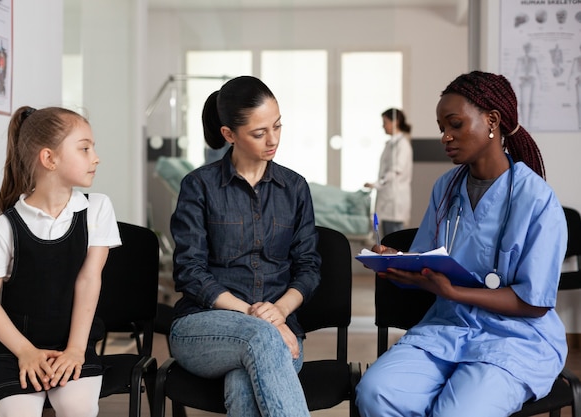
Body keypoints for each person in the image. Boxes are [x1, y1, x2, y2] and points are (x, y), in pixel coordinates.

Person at [356, 70, 568, 417]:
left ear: (492, 121)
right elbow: (427, 257)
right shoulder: (446, 187)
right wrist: (398, 260)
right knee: (377, 394)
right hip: (447, 327)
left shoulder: (536, 200)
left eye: (454, 124)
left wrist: (454, 292)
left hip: (514, 338)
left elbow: (534, 303)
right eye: (442, 128)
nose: (445, 137)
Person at [169, 75, 321, 417]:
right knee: (262, 340)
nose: (273, 140)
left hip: (280, 326)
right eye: (259, 133)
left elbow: (309, 267)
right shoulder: (199, 186)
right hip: (203, 326)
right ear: (228, 135)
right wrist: (260, 319)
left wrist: (280, 311)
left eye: (278, 127)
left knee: (242, 385)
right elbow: (190, 272)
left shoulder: (295, 188)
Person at [0, 106, 121, 417]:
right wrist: (25, 352)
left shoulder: (98, 209)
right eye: (84, 148)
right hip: (15, 349)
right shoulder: (4, 228)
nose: (96, 157)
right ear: (49, 158)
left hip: (73, 341)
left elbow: (89, 279)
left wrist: (76, 350)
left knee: (77, 407)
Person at [364, 108, 413, 237]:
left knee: (394, 241)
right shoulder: (391, 144)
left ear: (395, 122)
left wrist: (377, 184)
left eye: (385, 122)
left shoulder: (402, 144)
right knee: (388, 239)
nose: (383, 126)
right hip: (388, 199)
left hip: (395, 201)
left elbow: (396, 171)